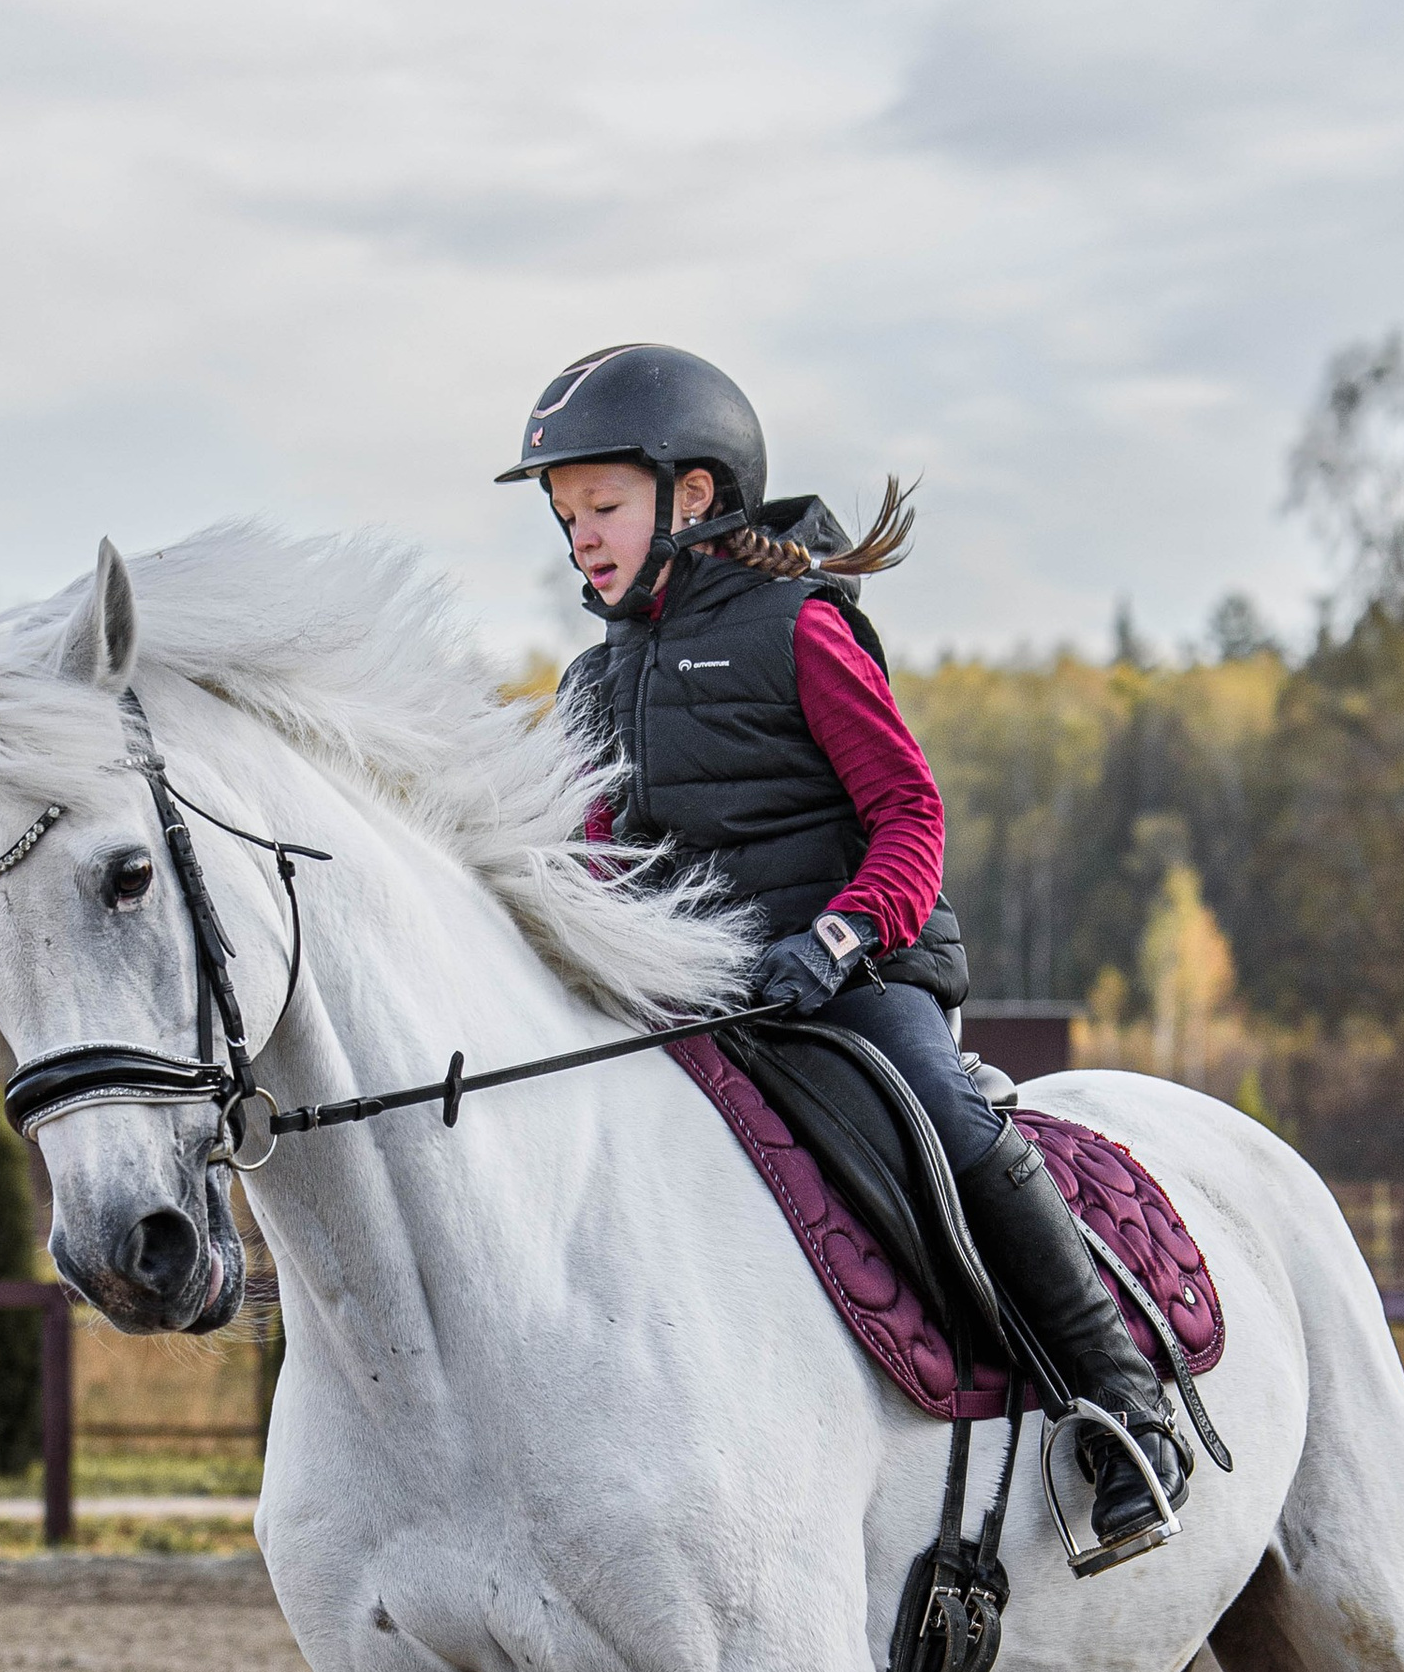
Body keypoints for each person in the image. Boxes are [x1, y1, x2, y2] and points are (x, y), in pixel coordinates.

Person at [499, 340, 1187, 1567]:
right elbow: (595, 862)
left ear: (691, 494)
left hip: (853, 975)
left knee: (950, 1120)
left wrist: (838, 934)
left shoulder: (800, 627)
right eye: (565, 518)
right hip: (700, 1001)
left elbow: (911, 815)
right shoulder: (592, 685)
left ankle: (1122, 1404)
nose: (580, 540)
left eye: (600, 506)